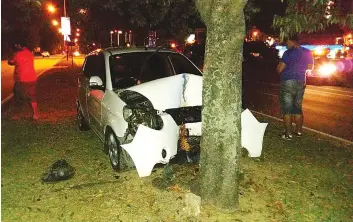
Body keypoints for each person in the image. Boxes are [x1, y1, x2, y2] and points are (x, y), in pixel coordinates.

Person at [276, 35, 313, 140]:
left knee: (287, 109)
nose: (286, 45)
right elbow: (310, 67)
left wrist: (279, 69)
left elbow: (280, 69)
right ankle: (299, 131)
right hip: (301, 81)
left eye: (287, 42)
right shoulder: (307, 52)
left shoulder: (288, 53)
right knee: (297, 107)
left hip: (288, 81)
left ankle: (288, 134)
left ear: (292, 41)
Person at [8, 41, 39, 120]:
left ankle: (17, 115)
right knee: (32, 96)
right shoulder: (29, 53)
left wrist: (10, 58)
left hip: (22, 79)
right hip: (32, 78)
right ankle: (35, 115)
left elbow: (11, 62)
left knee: (18, 97)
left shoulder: (18, 54)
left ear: (19, 45)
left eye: (16, 45)